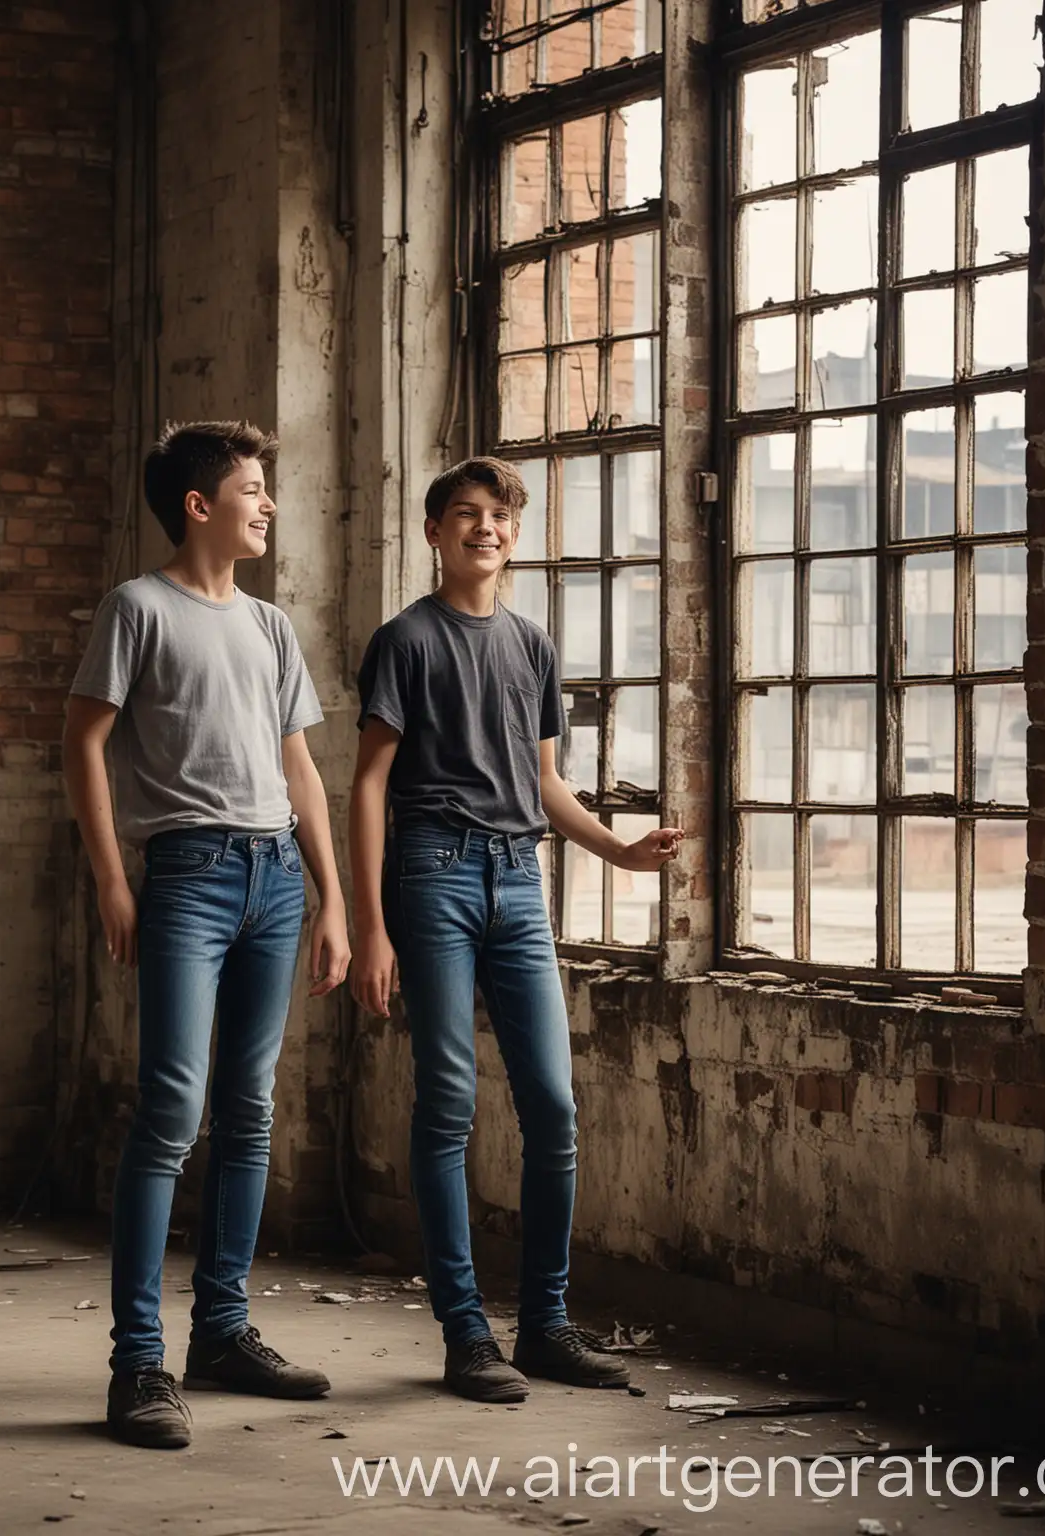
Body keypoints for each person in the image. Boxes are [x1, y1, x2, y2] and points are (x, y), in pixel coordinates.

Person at [347, 456, 683, 1404]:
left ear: (514, 535)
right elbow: (369, 784)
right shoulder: (405, 642)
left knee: (552, 1107)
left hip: (517, 881)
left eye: (499, 516)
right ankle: (464, 1335)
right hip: (433, 873)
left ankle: (544, 1327)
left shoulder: (532, 647)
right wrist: (372, 926)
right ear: (434, 532)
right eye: (465, 513)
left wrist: (619, 853)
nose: (484, 528)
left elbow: (542, 785)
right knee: (447, 1104)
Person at [64, 421, 350, 1450]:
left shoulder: (271, 627)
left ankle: (221, 1334)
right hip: (184, 877)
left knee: (250, 1109)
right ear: (200, 506)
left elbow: (302, 770)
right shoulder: (136, 610)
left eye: (266, 492)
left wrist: (334, 902)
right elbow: (83, 744)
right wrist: (111, 881)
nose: (267, 506)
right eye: (253, 491)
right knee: (171, 1110)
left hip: (275, 878)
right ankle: (136, 1363)